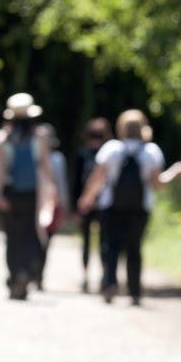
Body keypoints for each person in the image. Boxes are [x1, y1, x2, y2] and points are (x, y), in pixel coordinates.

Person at [78, 109, 181, 305]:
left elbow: (97, 178)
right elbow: (157, 184)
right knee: (134, 248)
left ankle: (110, 284)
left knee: (111, 246)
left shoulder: (111, 148)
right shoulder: (151, 151)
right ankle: (134, 292)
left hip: (111, 206)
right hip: (140, 208)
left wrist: (86, 198)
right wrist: (174, 172)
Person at [0, 93, 56, 300]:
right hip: (32, 192)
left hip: (10, 192)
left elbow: (0, 169)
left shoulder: (2, 138)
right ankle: (25, 273)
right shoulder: (41, 136)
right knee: (29, 234)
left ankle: (14, 276)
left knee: (12, 237)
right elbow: (45, 166)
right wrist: (52, 190)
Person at [71, 118, 113, 292]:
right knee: (105, 242)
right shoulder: (109, 153)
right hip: (104, 203)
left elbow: (76, 182)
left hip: (85, 203)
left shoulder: (83, 153)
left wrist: (75, 207)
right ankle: (105, 277)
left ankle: (85, 277)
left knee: (86, 242)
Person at [32, 123, 69, 290]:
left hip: (50, 204)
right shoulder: (32, 156)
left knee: (46, 241)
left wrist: (63, 206)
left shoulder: (57, 159)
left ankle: (39, 275)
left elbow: (61, 184)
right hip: (34, 203)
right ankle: (34, 273)